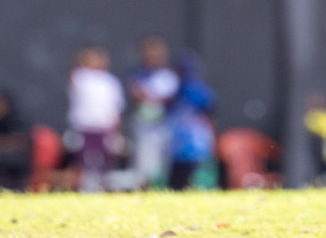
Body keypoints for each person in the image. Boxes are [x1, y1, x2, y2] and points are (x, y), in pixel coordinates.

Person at [66, 46, 124, 192]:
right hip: (85, 128)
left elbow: (115, 108)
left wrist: (116, 129)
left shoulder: (111, 81)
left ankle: (102, 189)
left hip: (105, 128)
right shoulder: (80, 77)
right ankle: (86, 190)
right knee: (85, 161)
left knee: (104, 162)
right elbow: (72, 80)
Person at [126, 35, 179, 188]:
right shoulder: (137, 74)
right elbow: (137, 94)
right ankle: (143, 191)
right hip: (144, 126)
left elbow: (168, 97)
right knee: (144, 162)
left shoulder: (169, 75)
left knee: (164, 163)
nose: (153, 57)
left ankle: (162, 189)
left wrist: (151, 96)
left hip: (166, 125)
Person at [164, 50, 218, 191]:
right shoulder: (177, 90)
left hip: (195, 142)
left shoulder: (198, 91)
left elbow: (210, 111)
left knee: (197, 176)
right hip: (181, 143)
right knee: (178, 178)